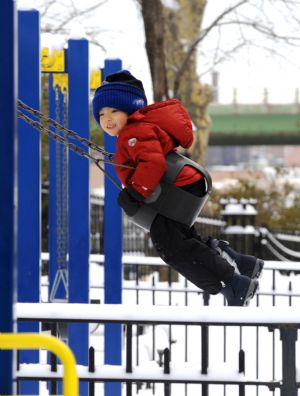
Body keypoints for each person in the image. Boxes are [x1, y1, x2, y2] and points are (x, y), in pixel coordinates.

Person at [92, 70, 264, 306]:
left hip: (176, 188)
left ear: (130, 110)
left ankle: (233, 285)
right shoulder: (135, 131)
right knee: (181, 237)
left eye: (114, 111)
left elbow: (152, 163)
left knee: (171, 246)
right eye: (101, 113)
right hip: (183, 185)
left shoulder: (134, 132)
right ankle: (239, 262)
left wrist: (135, 192)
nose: (107, 118)